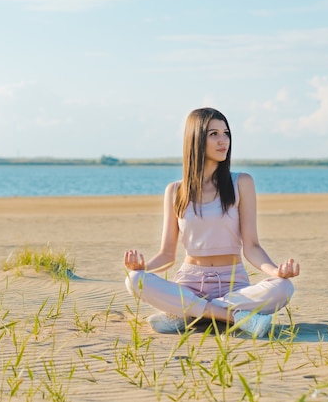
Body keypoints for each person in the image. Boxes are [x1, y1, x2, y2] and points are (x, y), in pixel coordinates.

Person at [124, 107, 300, 337]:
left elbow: (252, 246)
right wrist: (142, 269)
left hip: (233, 285)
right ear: (196, 139)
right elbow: (167, 254)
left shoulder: (241, 183)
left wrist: (276, 271)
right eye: (213, 134)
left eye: (226, 133)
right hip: (189, 283)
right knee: (134, 280)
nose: (223, 141)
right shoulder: (175, 190)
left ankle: (189, 314)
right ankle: (233, 316)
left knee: (284, 288)